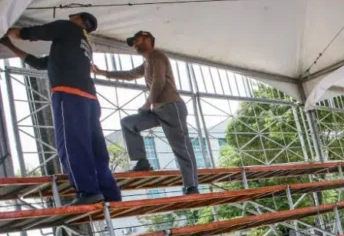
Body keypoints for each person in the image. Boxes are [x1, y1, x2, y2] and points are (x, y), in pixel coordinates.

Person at [1, 14, 121, 205]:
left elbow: (34, 32)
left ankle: (87, 191)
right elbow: (41, 64)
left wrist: (7, 31)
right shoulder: (84, 46)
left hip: (69, 94)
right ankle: (110, 194)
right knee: (96, 148)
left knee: (71, 144)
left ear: (80, 20)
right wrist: (10, 46)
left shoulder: (68, 27)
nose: (69, 16)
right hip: (89, 99)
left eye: (72, 16)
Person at [92, 31, 199, 195]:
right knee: (128, 123)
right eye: (133, 42)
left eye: (137, 40)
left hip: (171, 107)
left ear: (148, 40)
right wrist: (102, 73)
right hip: (158, 110)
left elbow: (159, 81)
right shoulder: (147, 62)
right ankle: (142, 161)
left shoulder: (157, 55)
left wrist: (147, 103)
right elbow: (129, 74)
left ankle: (191, 186)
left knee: (181, 146)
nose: (134, 43)